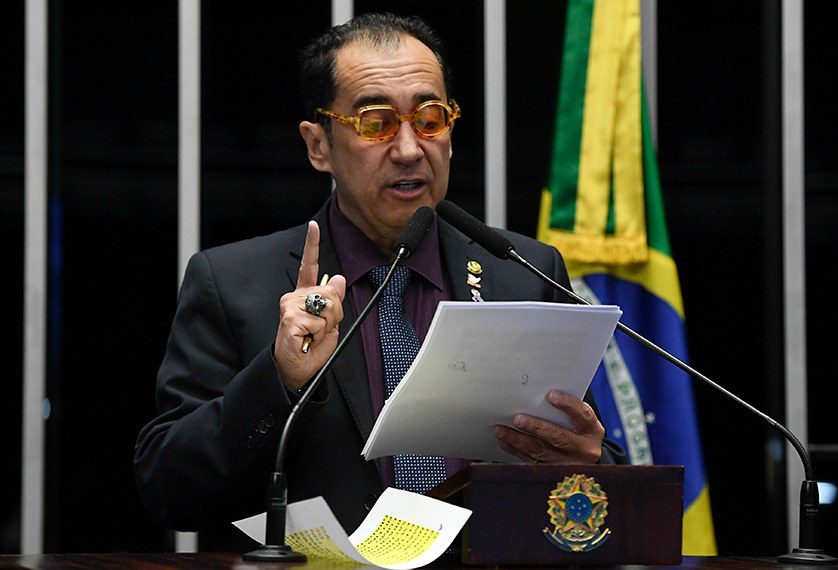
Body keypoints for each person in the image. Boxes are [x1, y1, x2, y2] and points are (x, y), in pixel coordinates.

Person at [133, 12, 626, 550]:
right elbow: (168, 489)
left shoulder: (523, 273)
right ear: (318, 144)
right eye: (376, 122)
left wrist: (592, 461)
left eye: (430, 117)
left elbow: (591, 470)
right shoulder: (235, 284)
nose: (410, 148)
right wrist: (278, 378)